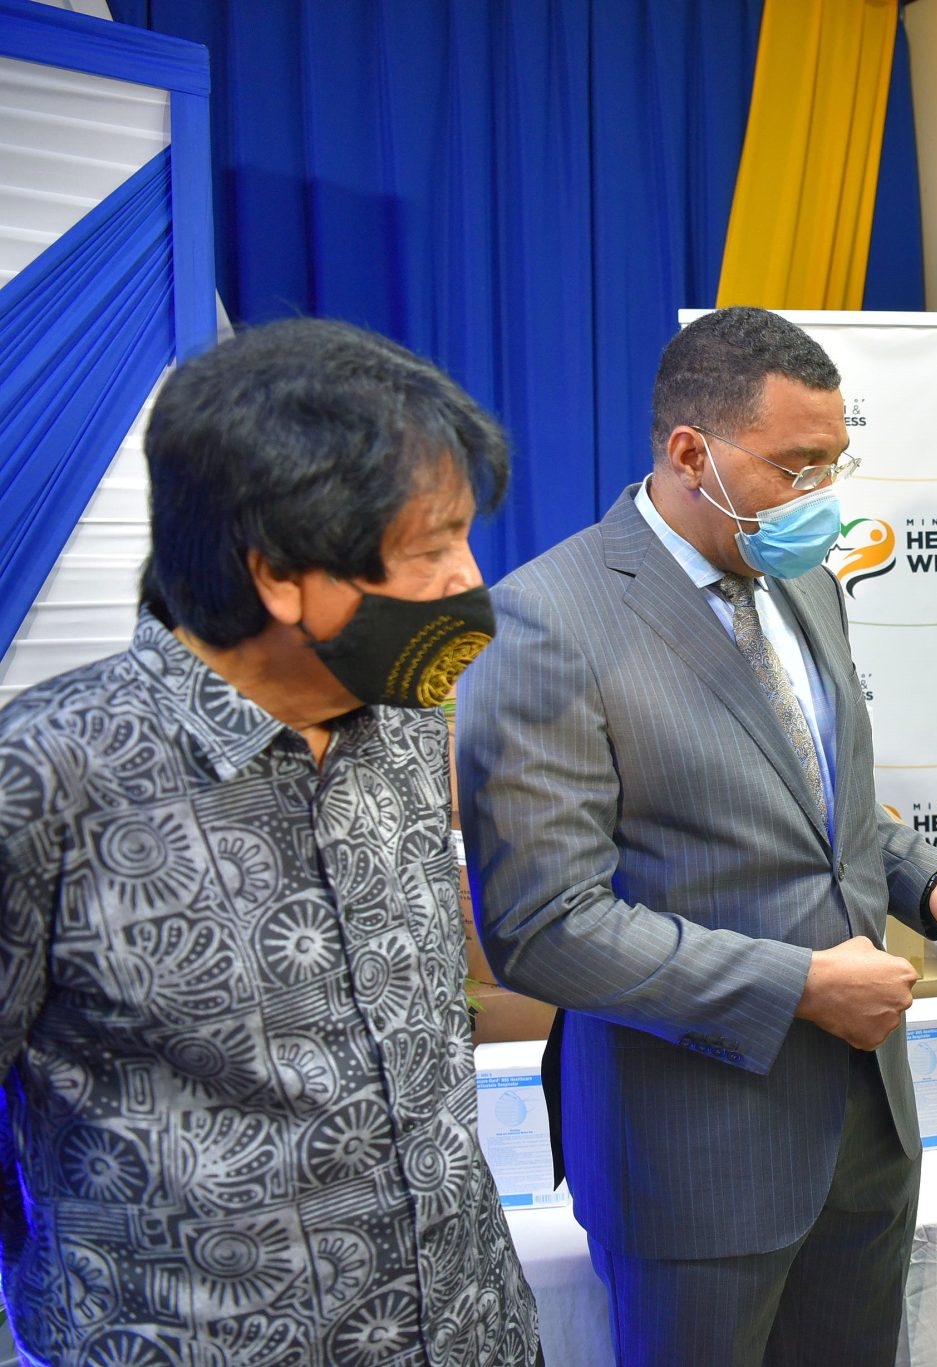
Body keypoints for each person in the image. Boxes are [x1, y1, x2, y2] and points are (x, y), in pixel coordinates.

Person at [456, 305, 937, 1367]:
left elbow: (822, 804)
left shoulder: (805, 582)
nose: (823, 498)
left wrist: (930, 883)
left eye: (834, 464)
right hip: (694, 1159)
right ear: (691, 453)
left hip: (866, 1136)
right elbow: (544, 927)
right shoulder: (549, 620)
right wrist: (798, 986)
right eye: (795, 467)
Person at [0, 318, 539, 1365]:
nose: (468, 578)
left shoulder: (409, 718)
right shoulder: (46, 779)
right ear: (280, 573)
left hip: (471, 1328)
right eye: (432, 547)